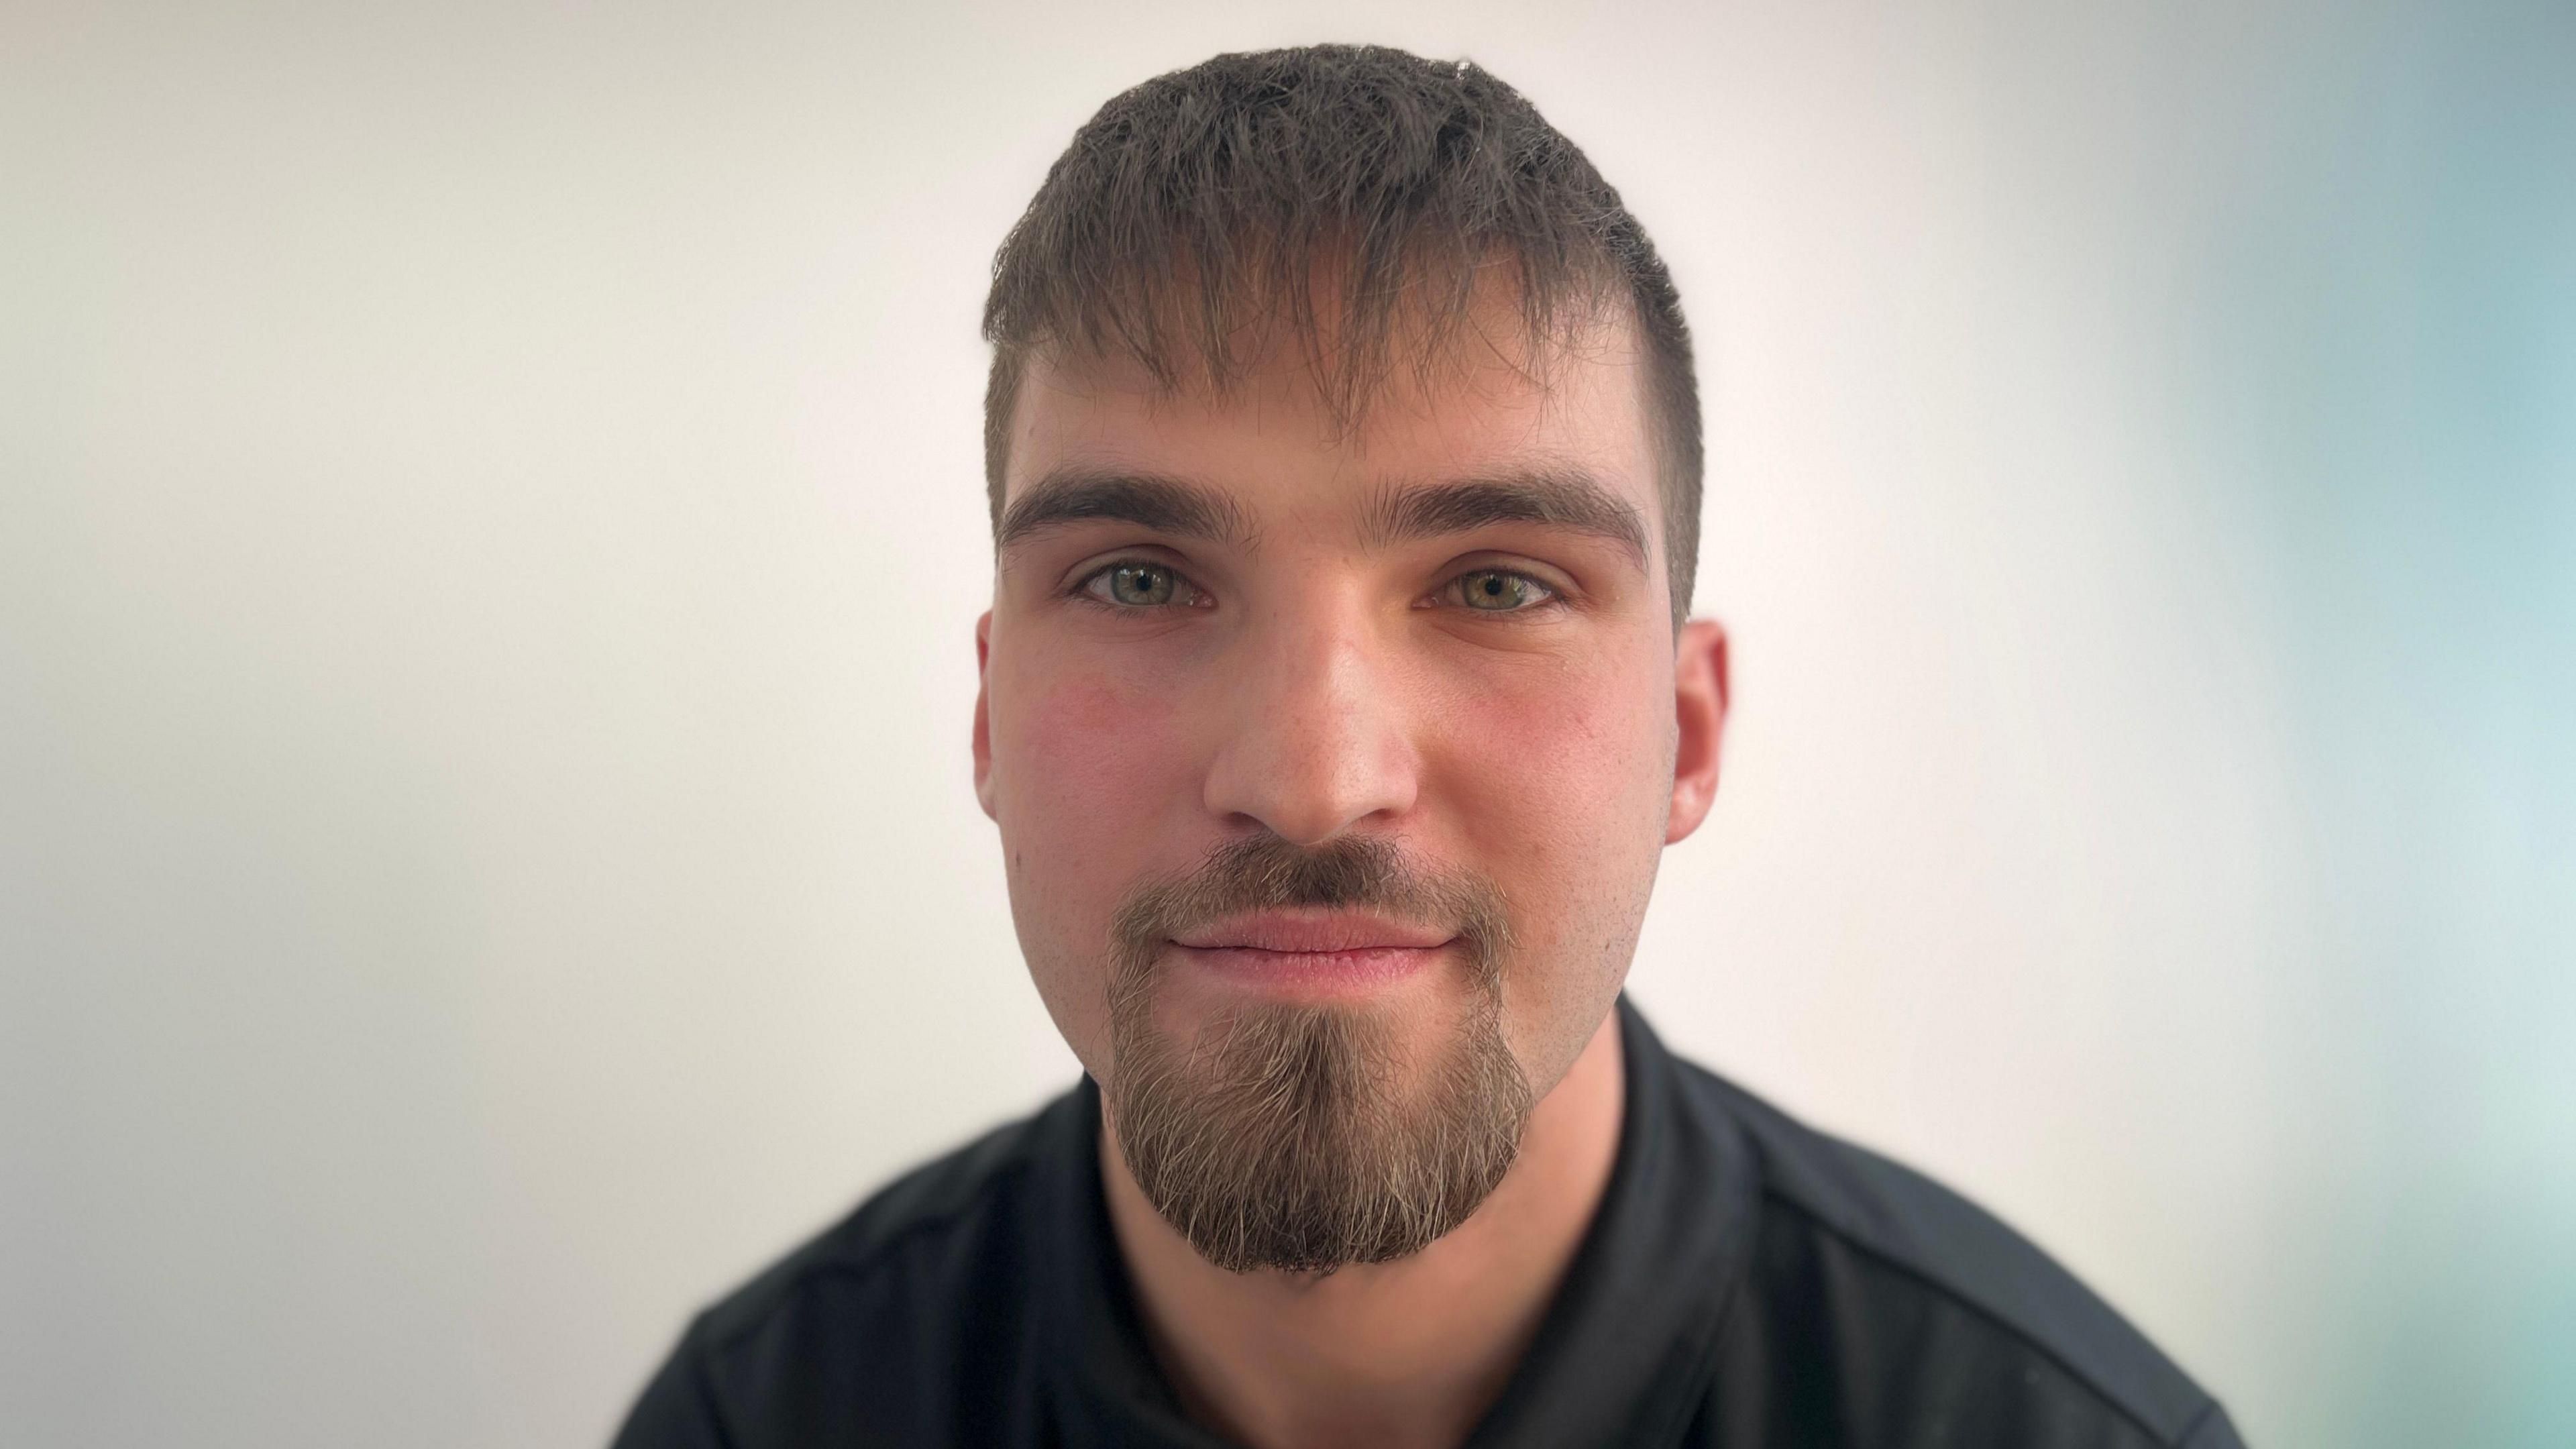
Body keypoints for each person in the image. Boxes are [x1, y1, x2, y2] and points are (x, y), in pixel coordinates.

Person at [610, 43, 2243, 1449]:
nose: (1315, 777)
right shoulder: (767, 1418)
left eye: (1495, 584)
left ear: (1686, 731)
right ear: (987, 716)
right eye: (1137, 578)